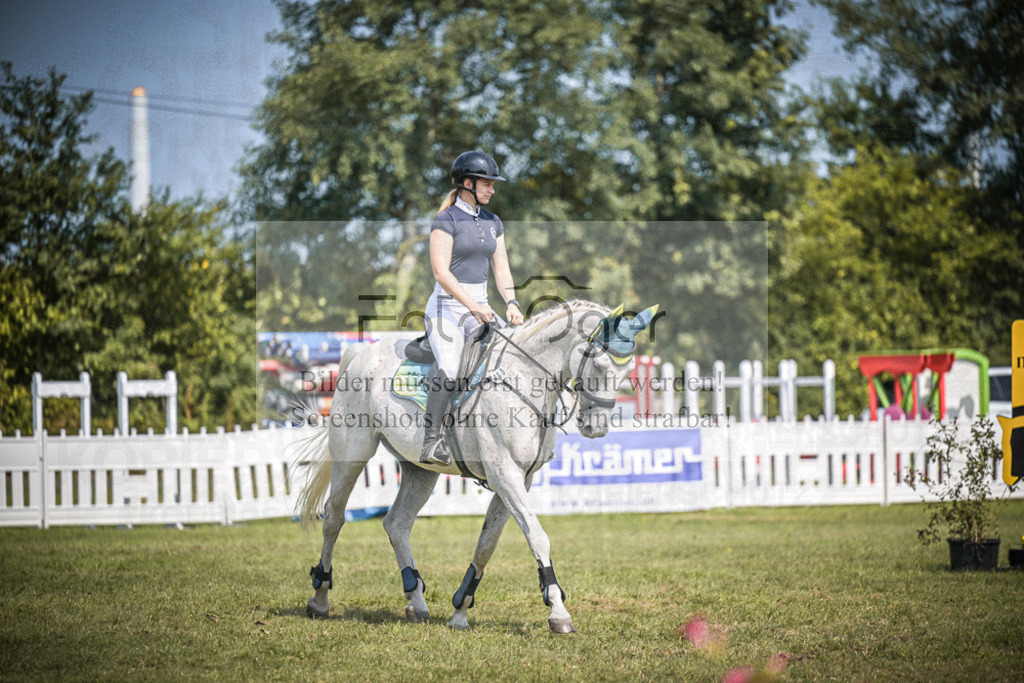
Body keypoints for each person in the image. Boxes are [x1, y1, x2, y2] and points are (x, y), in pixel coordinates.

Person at [420, 151, 524, 466]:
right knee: (452, 367)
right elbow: (441, 273)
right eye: (487, 183)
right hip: (446, 307)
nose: (492, 189)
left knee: (514, 359)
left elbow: (502, 270)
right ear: (468, 183)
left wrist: (512, 303)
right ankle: (431, 441)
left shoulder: (494, 222)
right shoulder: (446, 220)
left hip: (480, 306)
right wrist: (473, 305)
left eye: (493, 184)